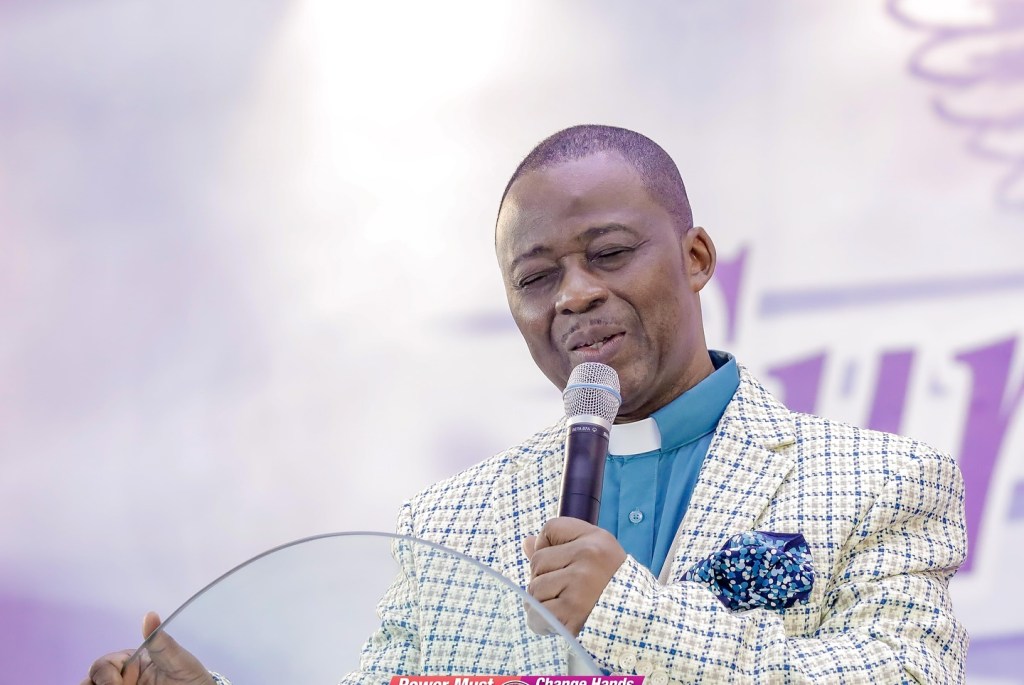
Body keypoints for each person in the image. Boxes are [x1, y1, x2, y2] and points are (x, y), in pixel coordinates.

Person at [84, 125, 968, 684]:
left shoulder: (882, 478)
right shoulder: (449, 520)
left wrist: (629, 610)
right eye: (537, 277)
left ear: (696, 257)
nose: (574, 295)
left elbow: (905, 675)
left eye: (609, 253)